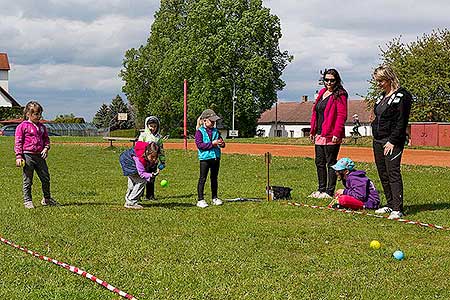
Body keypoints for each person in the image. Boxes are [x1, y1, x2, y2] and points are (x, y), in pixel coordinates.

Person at [371, 65, 412, 219]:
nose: (379, 84)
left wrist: (393, 141)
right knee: (383, 172)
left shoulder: (402, 96)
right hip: (378, 140)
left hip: (392, 141)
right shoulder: (382, 97)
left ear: (389, 78)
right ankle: (389, 204)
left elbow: (402, 121)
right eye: (377, 81)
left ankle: (397, 208)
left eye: (381, 80)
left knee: (392, 172)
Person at [309, 69, 348, 199]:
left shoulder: (340, 94)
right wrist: (313, 130)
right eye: (326, 80)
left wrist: (337, 132)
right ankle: (321, 189)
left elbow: (342, 115)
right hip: (320, 133)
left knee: (330, 162)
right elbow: (316, 112)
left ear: (337, 80)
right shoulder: (322, 93)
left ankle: (329, 192)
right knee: (319, 161)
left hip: (332, 134)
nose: (329, 82)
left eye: (332, 80)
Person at [14, 101, 59, 209]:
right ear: (28, 114)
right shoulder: (22, 126)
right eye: (36, 114)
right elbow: (18, 141)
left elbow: (46, 139)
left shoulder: (42, 127)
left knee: (45, 178)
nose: (39, 116)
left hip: (40, 156)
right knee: (28, 180)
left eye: (40, 114)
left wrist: (46, 148)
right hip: (27, 156)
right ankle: (27, 200)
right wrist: (19, 156)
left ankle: (47, 199)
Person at [195, 109, 225, 208]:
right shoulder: (199, 132)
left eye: (214, 121)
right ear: (204, 121)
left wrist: (221, 143)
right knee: (202, 178)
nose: (213, 123)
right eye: (211, 121)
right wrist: (212, 143)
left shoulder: (216, 131)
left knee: (214, 178)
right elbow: (200, 145)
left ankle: (214, 198)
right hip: (205, 159)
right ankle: (200, 199)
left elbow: (221, 142)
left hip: (215, 158)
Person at [119, 141, 161, 209]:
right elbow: (142, 173)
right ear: (147, 152)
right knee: (141, 181)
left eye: (156, 157)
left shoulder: (148, 152)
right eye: (152, 157)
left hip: (127, 159)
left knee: (133, 181)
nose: (154, 159)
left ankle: (129, 199)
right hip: (128, 163)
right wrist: (151, 175)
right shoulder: (139, 159)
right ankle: (131, 202)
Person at [138, 116, 166, 200]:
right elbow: (138, 147)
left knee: (151, 178)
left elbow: (161, 150)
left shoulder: (159, 137)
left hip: (154, 161)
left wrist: (162, 161)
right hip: (144, 161)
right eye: (151, 126)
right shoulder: (143, 136)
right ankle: (139, 195)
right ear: (147, 126)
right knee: (142, 178)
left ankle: (150, 195)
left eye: (155, 126)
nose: (153, 128)